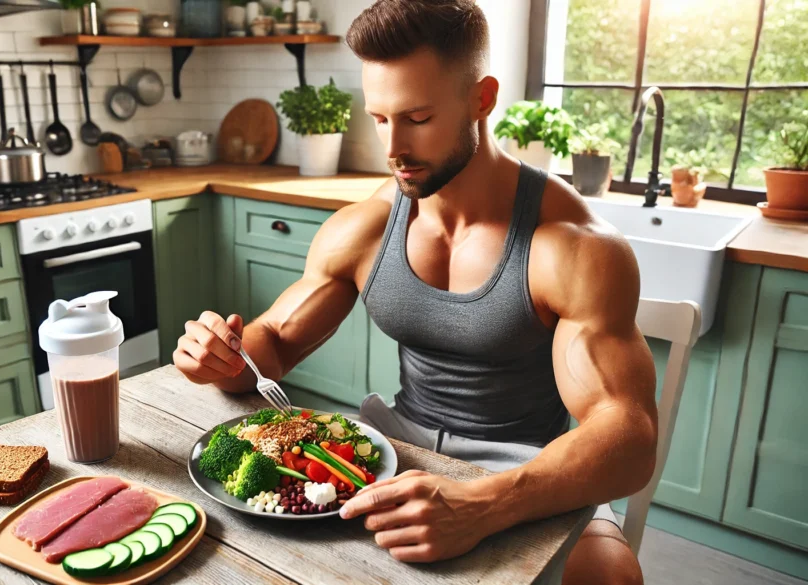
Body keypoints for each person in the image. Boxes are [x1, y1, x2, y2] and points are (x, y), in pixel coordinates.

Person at [172, 1, 655, 583]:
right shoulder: (366, 227)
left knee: (613, 577)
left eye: (418, 118)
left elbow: (627, 437)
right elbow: (270, 345)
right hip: (397, 452)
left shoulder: (570, 246)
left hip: (531, 468)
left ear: (481, 98)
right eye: (379, 118)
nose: (393, 146)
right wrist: (221, 356)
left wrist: (484, 504)